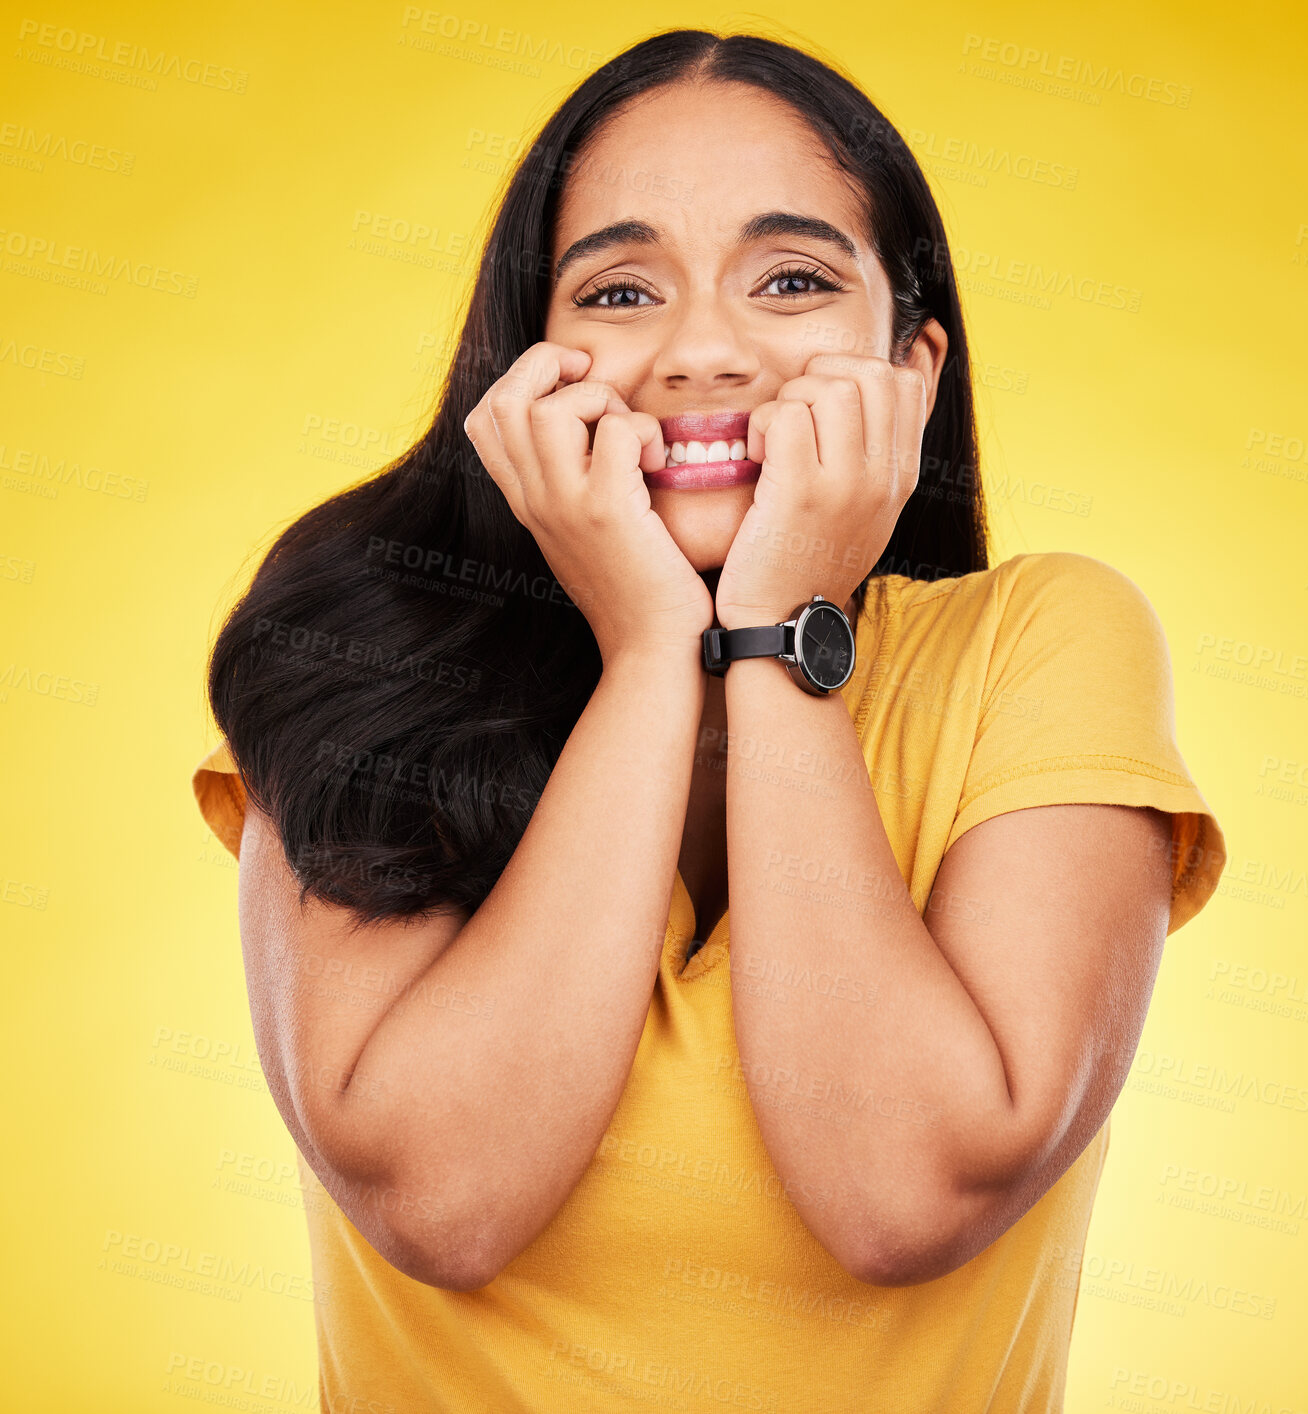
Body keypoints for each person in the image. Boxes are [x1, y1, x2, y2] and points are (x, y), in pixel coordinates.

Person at [192, 28, 1226, 1413]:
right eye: (619, 290)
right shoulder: (369, 649)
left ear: (911, 368)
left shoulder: (1042, 645)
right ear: (526, 358)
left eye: (791, 279)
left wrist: (773, 623)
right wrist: (645, 653)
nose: (699, 353)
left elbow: (902, 1193)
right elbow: (441, 1202)